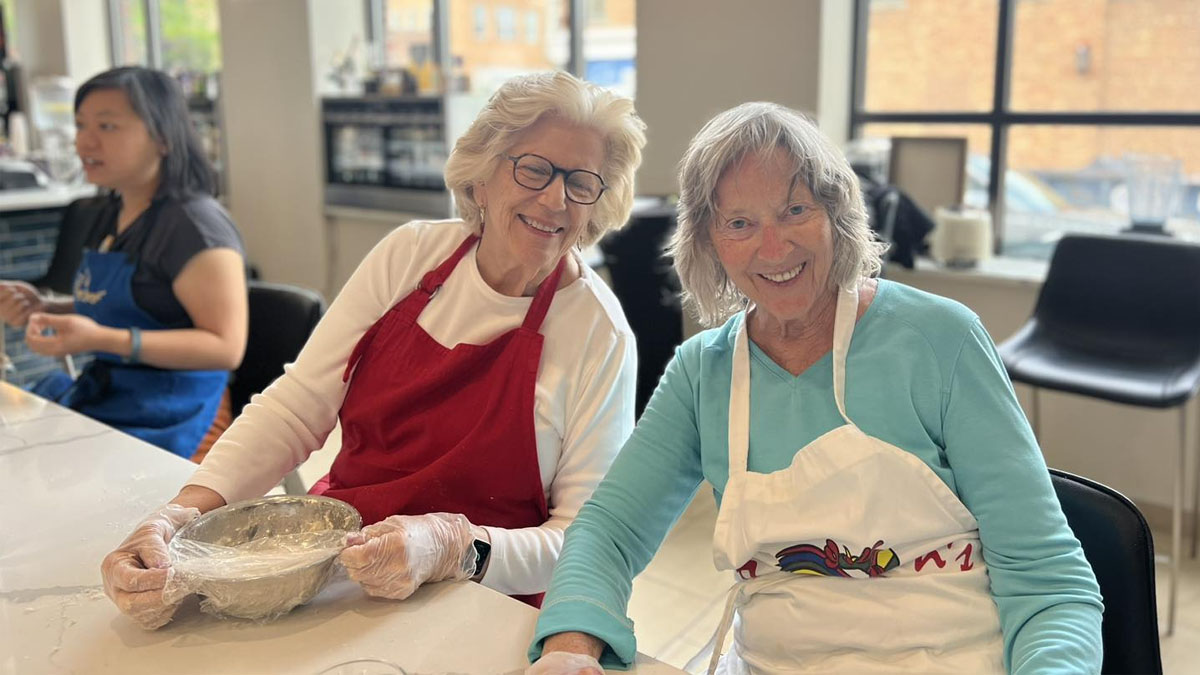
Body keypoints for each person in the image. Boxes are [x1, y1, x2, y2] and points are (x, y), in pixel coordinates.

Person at [527, 103, 1103, 674]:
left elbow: (1049, 581)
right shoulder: (704, 373)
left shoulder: (939, 341)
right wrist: (569, 649)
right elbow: (610, 530)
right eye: (740, 223)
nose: (773, 248)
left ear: (837, 212)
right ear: (709, 242)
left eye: (795, 209)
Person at [100, 71, 647, 630]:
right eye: (533, 169)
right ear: (482, 176)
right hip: (335, 566)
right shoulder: (409, 256)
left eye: (582, 182)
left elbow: (584, 537)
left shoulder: (599, 336)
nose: (555, 198)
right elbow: (296, 408)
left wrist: (454, 548)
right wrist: (181, 514)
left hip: (484, 598)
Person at [0, 66, 246, 459]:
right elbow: (137, 303)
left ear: (163, 138)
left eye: (107, 127)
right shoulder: (113, 210)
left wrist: (99, 339)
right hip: (114, 393)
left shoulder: (195, 226)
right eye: (80, 125)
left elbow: (225, 347)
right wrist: (45, 307)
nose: (84, 142)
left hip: (178, 412)